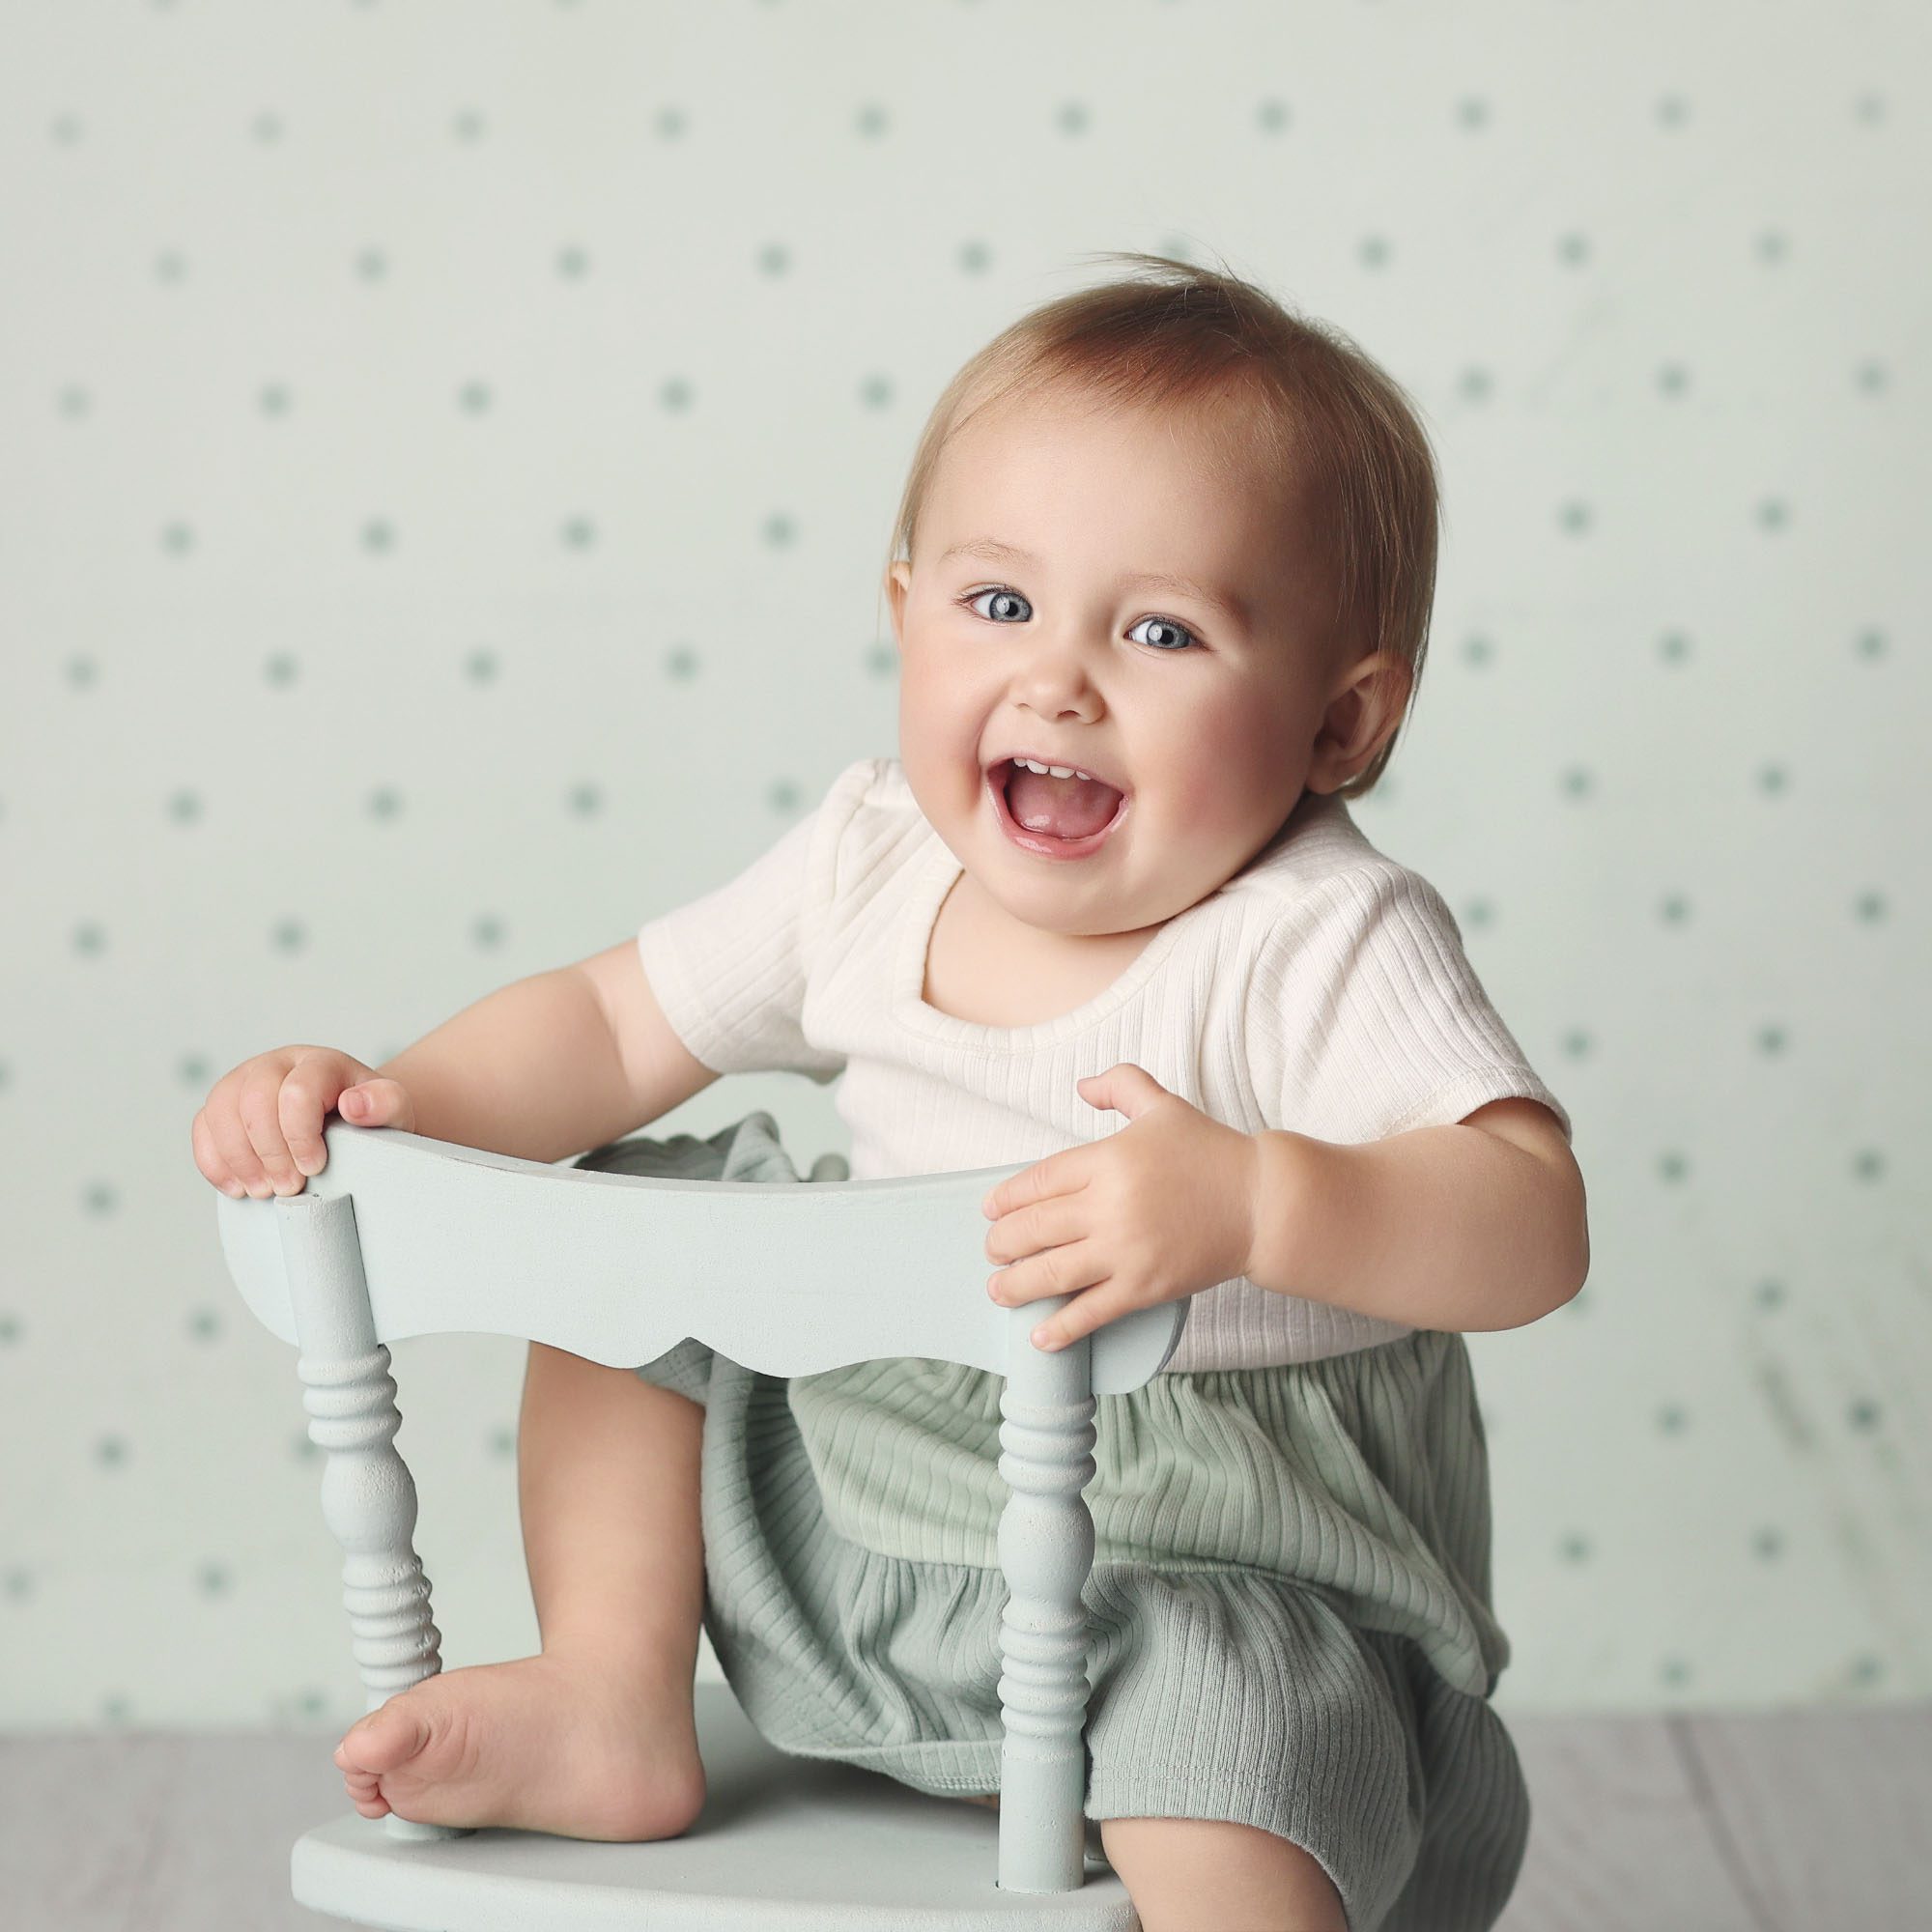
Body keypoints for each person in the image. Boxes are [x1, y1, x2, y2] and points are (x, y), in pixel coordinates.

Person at [190, 251, 1589, 1932]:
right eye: (1000, 606)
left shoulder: (1319, 935)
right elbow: (608, 1025)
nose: (1059, 679)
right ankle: (611, 1689)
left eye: (1161, 630)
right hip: (861, 1505)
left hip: (1201, 1560)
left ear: (1339, 723)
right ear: (904, 610)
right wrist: (386, 1097)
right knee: (637, 1218)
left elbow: (1530, 1223)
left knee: (1237, 1744)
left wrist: (1258, 1200)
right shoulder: (868, 862)